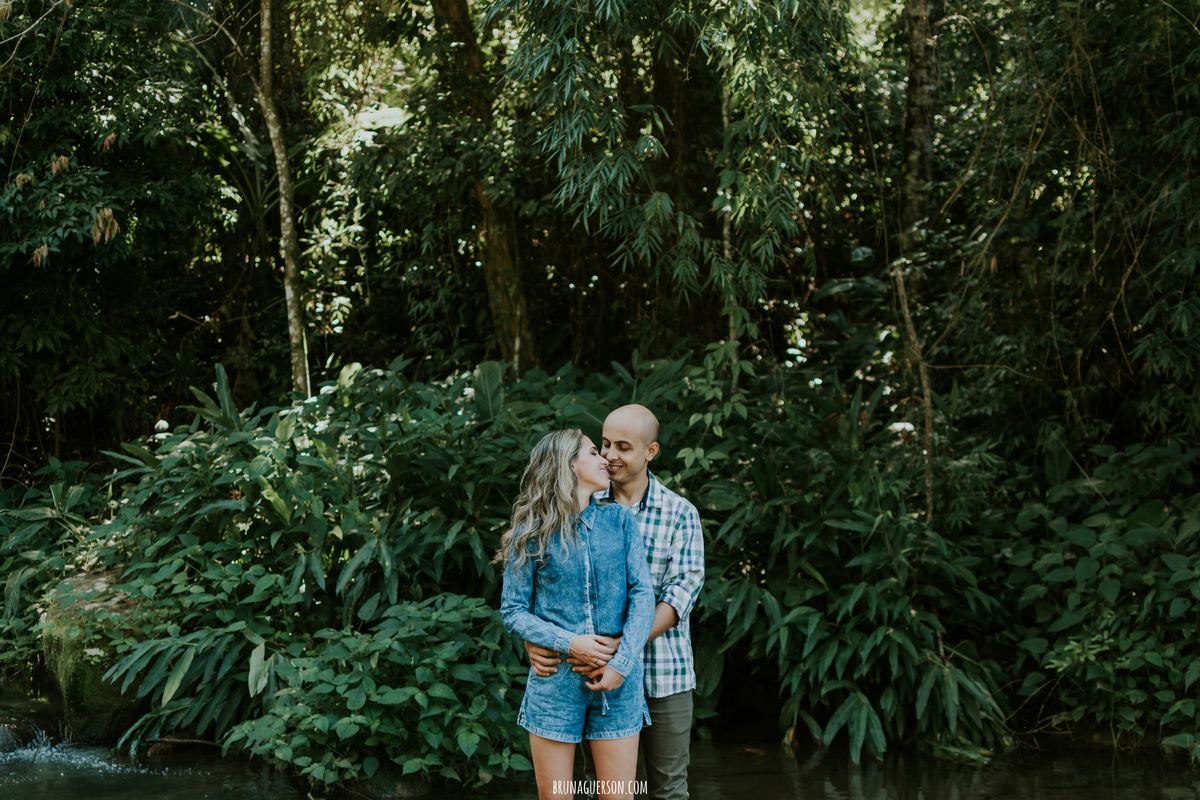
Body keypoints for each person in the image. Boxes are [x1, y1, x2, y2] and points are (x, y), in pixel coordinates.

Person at [525, 405, 705, 800]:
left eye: (623, 447)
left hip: (662, 675)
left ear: (650, 451)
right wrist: (537, 639)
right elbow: (544, 586)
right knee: (604, 790)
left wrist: (623, 650)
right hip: (588, 675)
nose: (609, 455)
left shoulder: (680, 515)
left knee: (667, 789)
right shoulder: (581, 500)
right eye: (604, 444)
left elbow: (678, 598)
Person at [497, 429, 656, 800]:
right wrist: (570, 643)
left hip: (617, 682)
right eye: (592, 452)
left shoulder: (620, 521)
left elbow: (643, 594)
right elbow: (513, 610)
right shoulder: (530, 531)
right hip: (554, 683)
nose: (605, 459)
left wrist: (622, 663)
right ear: (569, 465)